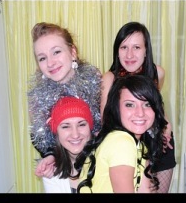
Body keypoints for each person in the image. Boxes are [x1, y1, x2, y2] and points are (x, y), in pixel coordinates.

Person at [99, 22, 175, 193]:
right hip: (127, 149)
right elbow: (106, 121)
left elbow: (156, 106)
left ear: (146, 50)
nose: (129, 54)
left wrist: (167, 127)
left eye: (137, 47)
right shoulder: (109, 78)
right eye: (124, 47)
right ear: (117, 51)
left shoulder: (157, 72)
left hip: (158, 144)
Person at [28, 22, 102, 179]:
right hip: (65, 169)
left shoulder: (95, 83)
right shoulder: (39, 97)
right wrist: (50, 156)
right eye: (42, 58)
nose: (50, 63)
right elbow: (40, 137)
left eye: (56, 52)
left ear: (72, 52)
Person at [75, 74, 168, 193]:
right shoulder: (121, 142)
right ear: (116, 108)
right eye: (130, 105)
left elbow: (144, 190)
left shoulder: (139, 145)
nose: (140, 113)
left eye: (147, 104)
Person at [42, 97, 94, 193]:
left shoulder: (106, 161)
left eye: (81, 124)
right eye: (66, 126)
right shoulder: (51, 173)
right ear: (56, 132)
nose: (75, 135)